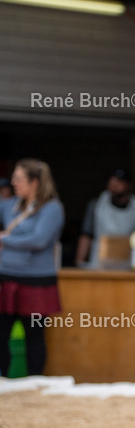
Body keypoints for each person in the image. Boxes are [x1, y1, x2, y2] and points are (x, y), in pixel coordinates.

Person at [0, 159, 64, 376]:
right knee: (1, 334)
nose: (13, 183)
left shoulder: (52, 208)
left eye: (19, 179)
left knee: (34, 335)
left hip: (37, 281)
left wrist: (6, 239)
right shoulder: (9, 205)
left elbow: (39, 240)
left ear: (35, 182)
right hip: (5, 277)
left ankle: (35, 384)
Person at [76, 169, 135, 268]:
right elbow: (86, 236)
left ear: (129, 185)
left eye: (119, 182)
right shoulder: (97, 205)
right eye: (111, 181)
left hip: (129, 269)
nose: (114, 185)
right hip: (99, 267)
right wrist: (79, 263)